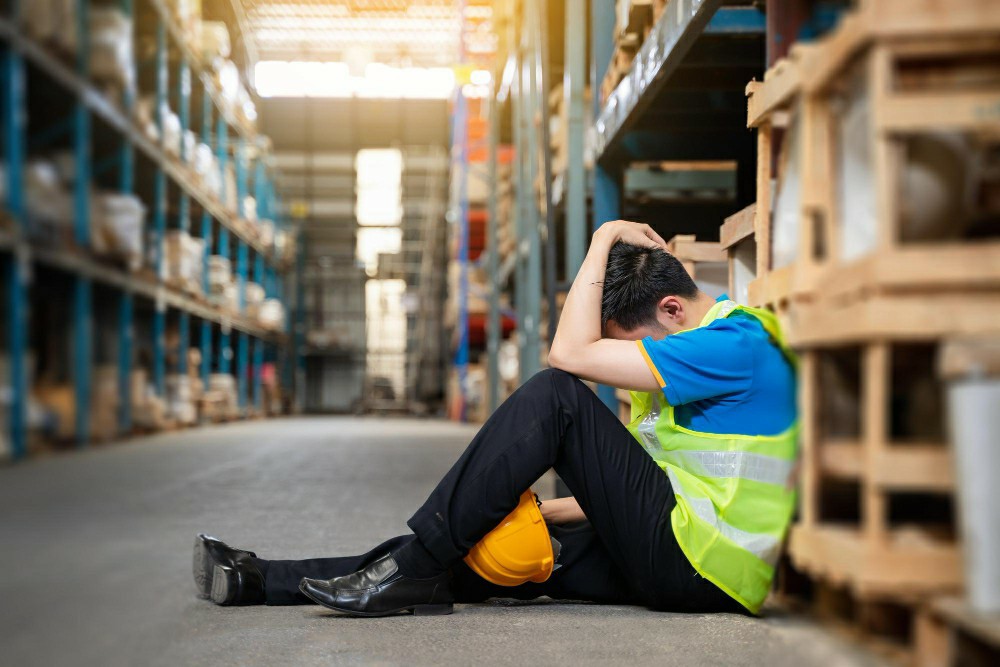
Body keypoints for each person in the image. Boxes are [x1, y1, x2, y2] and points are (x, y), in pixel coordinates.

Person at [193, 219, 798, 617]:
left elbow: (567, 359)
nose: (623, 360)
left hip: (700, 570)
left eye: (627, 342)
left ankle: (413, 568)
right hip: (677, 550)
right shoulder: (697, 360)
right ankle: (258, 578)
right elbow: (666, 481)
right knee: (482, 547)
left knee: (556, 394)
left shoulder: (735, 345)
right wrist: (529, 507)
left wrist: (603, 236)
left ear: (672, 309)